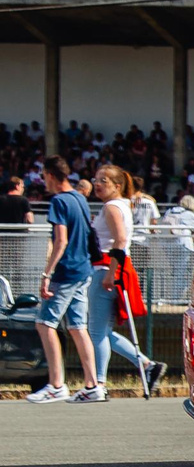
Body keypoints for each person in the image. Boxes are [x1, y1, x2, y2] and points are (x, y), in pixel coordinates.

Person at [87, 164, 167, 396]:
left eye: (103, 180)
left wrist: (111, 272)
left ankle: (99, 384)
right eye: (96, 179)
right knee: (102, 329)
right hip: (113, 267)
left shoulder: (112, 207)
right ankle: (146, 365)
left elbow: (120, 240)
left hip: (107, 267)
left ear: (117, 185)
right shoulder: (121, 205)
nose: (97, 184)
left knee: (97, 331)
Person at [29, 156, 104, 404]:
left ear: (50, 175)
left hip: (67, 271)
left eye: (44, 177)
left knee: (45, 323)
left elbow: (60, 240)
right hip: (84, 269)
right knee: (77, 327)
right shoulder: (79, 198)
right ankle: (92, 385)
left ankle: (56, 384)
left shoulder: (59, 201)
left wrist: (46, 274)